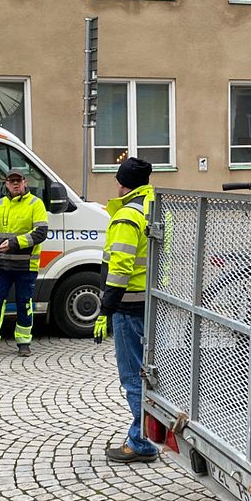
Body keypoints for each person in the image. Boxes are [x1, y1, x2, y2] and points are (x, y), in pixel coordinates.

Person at [95, 157, 159, 464]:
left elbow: (119, 268)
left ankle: (141, 441)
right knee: (152, 373)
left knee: (134, 375)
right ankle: (150, 431)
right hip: (153, 302)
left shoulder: (126, 216)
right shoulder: (156, 208)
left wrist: (105, 309)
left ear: (123, 183)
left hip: (128, 306)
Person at [0, 168, 50, 358]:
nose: (15, 184)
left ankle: (24, 343)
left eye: (18, 181)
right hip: (2, 265)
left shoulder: (35, 203)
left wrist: (13, 243)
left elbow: (41, 233)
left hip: (26, 266)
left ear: (25, 182)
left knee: (24, 303)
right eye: (11, 181)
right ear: (6, 184)